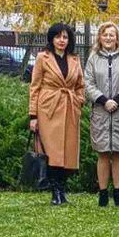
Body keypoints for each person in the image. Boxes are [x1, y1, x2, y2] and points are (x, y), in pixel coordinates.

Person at [29, 22, 84, 206]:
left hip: (69, 109)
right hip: (48, 109)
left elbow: (80, 86)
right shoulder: (42, 58)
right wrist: (33, 115)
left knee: (67, 153)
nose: (62, 40)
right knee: (52, 152)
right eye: (58, 37)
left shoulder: (75, 59)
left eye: (65, 37)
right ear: (51, 39)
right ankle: (55, 191)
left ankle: (62, 189)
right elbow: (35, 87)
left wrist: (78, 101)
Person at [84, 22, 119, 208]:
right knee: (103, 153)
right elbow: (88, 83)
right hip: (101, 111)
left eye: (112, 35)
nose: (108, 38)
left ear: (117, 38)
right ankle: (103, 193)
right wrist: (103, 100)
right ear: (100, 37)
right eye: (105, 34)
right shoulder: (93, 59)